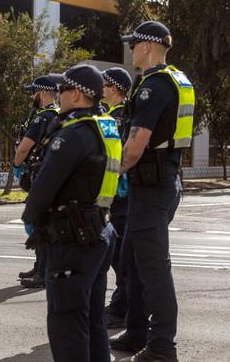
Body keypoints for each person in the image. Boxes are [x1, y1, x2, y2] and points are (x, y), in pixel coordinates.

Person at [22, 64, 122, 362]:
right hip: (99, 230)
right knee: (91, 321)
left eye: (62, 90)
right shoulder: (105, 127)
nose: (58, 96)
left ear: (76, 94)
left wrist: (31, 219)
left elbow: (44, 186)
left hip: (72, 238)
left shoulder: (74, 134)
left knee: (67, 323)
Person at [111, 21, 193, 362]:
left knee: (154, 268)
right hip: (161, 182)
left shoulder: (153, 86)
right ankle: (136, 332)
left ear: (146, 47)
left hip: (152, 186)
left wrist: (107, 176)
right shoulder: (176, 79)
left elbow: (135, 147)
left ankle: (162, 346)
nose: (130, 50)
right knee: (132, 260)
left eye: (133, 45)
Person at [13, 75, 61, 289]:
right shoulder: (57, 114)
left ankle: (43, 271)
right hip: (46, 172)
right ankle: (40, 265)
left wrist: (16, 163)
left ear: (42, 93)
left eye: (34, 92)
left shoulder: (44, 116)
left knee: (40, 223)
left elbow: (25, 146)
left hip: (39, 174)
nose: (32, 96)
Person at [101, 67, 133, 329]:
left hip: (123, 194)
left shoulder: (121, 116)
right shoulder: (110, 115)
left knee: (120, 255)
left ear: (114, 87)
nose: (101, 87)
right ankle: (122, 303)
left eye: (104, 83)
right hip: (114, 194)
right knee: (117, 253)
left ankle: (122, 307)